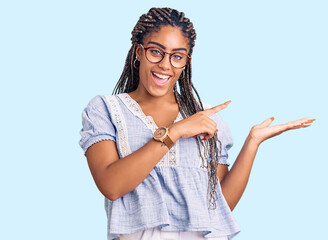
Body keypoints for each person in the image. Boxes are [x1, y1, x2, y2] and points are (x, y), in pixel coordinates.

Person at [79, 7, 315, 240]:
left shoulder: (206, 119)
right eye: (155, 51)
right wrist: (176, 131)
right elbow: (112, 185)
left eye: (177, 56)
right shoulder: (105, 109)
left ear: (186, 62)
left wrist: (252, 143)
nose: (165, 64)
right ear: (138, 52)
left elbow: (219, 206)